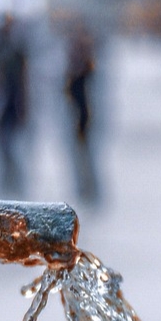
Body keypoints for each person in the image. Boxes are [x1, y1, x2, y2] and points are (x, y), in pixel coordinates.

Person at [0, 14, 30, 198]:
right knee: (3, 145)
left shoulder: (16, 52)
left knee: (10, 145)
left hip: (12, 104)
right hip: (3, 105)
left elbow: (22, 81)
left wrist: (24, 107)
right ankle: (9, 180)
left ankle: (14, 181)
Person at [64, 19, 101, 204]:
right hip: (79, 117)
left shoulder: (85, 69)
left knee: (86, 155)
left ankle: (90, 190)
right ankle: (86, 189)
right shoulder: (77, 68)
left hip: (84, 118)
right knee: (81, 156)